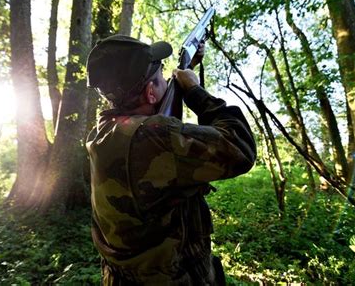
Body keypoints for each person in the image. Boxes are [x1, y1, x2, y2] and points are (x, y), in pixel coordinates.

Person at [86, 34, 256, 285]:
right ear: (151, 92)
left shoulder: (102, 133)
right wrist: (195, 91)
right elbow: (241, 147)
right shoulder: (155, 138)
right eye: (161, 77)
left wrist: (187, 68)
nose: (167, 81)